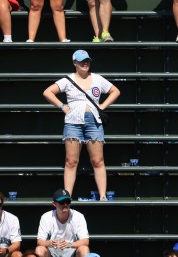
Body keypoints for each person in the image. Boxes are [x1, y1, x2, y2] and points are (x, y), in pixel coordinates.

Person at [42, 50, 121, 198]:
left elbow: (115, 91)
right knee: (71, 161)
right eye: (81, 61)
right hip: (73, 122)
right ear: (74, 63)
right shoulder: (68, 79)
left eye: (87, 61)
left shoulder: (97, 79)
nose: (85, 63)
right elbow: (48, 92)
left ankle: (103, 196)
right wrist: (62, 106)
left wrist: (102, 106)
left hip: (94, 122)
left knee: (97, 160)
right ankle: (68, 196)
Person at [35, 189, 90, 257]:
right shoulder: (46, 216)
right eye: (61, 202)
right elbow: (40, 242)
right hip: (52, 254)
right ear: (54, 204)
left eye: (67, 201)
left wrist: (69, 244)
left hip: (72, 252)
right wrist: (50, 243)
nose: (65, 204)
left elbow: (85, 241)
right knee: (39, 250)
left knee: (84, 249)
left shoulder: (78, 216)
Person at [0, 192, 22, 257]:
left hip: (5, 255)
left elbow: (17, 244)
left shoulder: (12, 219)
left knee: (17, 255)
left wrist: (5, 250)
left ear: (2, 205)